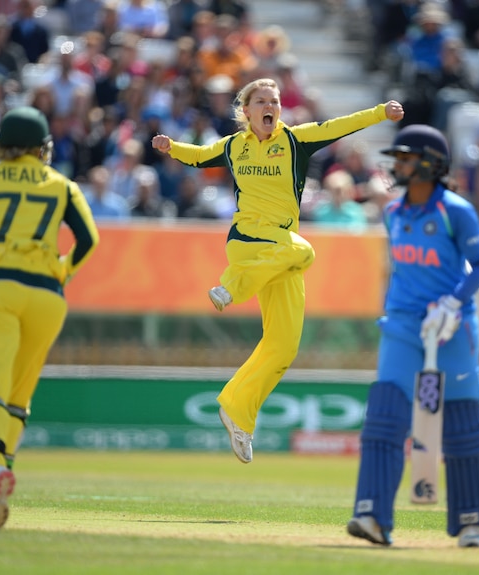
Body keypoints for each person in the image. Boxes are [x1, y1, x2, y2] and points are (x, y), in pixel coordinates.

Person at [151, 78, 403, 464]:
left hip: (280, 251)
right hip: (248, 244)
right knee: (306, 251)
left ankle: (236, 408)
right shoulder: (235, 146)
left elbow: (340, 126)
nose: (270, 106)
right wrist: (172, 148)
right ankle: (232, 286)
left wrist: (380, 112)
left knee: (284, 346)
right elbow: (200, 157)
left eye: (275, 101)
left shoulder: (295, 141)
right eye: (262, 101)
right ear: (246, 110)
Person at [0, 107, 100, 530]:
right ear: (42, 148)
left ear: (1, 144)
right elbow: (88, 240)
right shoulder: (62, 185)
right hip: (48, 297)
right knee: (16, 398)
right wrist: (62, 270)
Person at [347, 124, 479, 548]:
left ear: (431, 164)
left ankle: (470, 521)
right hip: (403, 327)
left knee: (462, 425)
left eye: (407, 158)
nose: (399, 165)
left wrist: (452, 303)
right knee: (385, 417)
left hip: (452, 328)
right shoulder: (393, 214)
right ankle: (372, 515)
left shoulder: (455, 210)